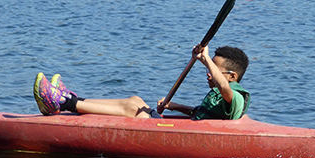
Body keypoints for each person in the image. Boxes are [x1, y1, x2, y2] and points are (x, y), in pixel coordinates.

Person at [33, 44, 250, 121]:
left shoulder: (236, 97)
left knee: (132, 109)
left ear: (232, 76)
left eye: (214, 69)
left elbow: (223, 88)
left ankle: (64, 102)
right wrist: (173, 106)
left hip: (175, 134)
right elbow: (201, 114)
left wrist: (204, 59)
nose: (209, 73)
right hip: (182, 126)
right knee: (136, 100)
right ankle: (73, 98)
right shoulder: (221, 97)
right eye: (209, 67)